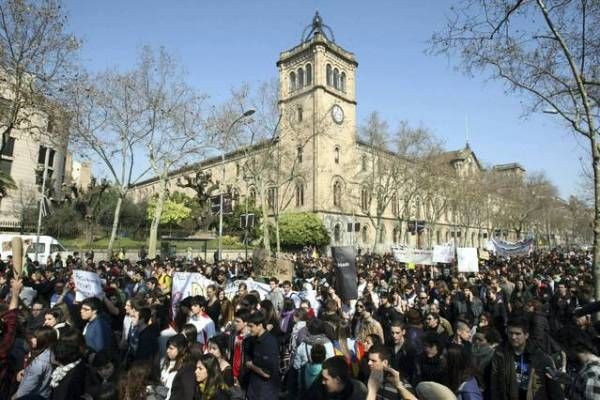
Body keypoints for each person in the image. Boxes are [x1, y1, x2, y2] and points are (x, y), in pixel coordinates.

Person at [490, 315, 563, 400]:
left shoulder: (541, 358)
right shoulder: (500, 354)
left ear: (526, 335)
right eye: (510, 333)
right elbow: (495, 383)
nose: (513, 337)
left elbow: (555, 389)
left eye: (517, 334)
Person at [13, 326, 57, 399]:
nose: (32, 339)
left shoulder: (40, 362)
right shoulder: (52, 355)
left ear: (44, 340)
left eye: (36, 337)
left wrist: (14, 397)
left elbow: (27, 388)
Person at [244, 311, 280, 399]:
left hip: (265, 393)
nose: (249, 329)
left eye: (251, 326)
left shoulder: (269, 343)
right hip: (253, 390)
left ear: (260, 326)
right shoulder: (252, 340)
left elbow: (267, 374)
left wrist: (251, 366)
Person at [159, 334, 189, 400]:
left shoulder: (185, 368)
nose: (167, 351)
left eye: (171, 348)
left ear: (180, 349)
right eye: (167, 348)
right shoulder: (164, 361)